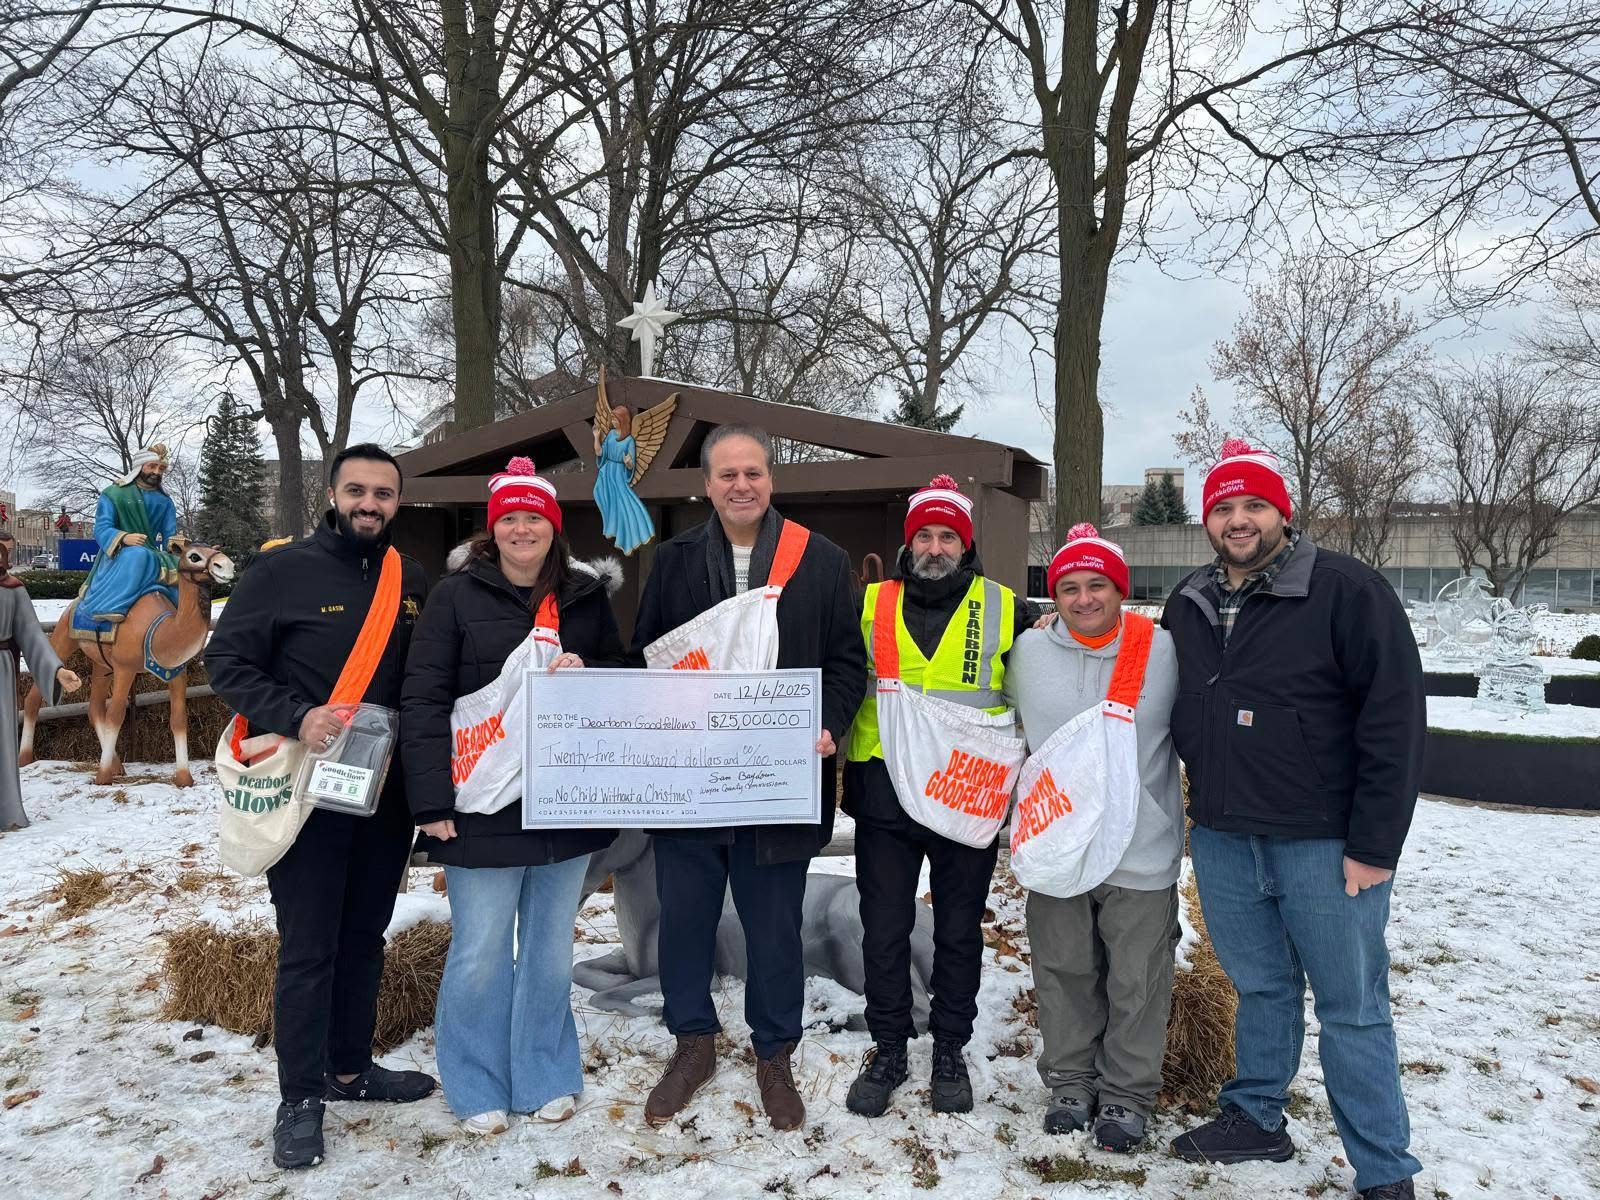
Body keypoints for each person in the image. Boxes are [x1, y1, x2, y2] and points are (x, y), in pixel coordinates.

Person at [1164, 439, 1424, 1200]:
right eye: (1223, 507)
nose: (1238, 520)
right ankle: (1256, 1116)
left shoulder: (1346, 590)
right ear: (1207, 520)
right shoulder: (1190, 599)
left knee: (1353, 1008)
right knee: (1262, 988)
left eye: (1253, 505)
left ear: (1283, 511)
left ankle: (1382, 1168)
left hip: (1325, 842)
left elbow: (1395, 721)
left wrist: (1375, 845)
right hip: (1221, 833)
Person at [630, 424, 865, 1131]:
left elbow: (848, 662)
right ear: (707, 484)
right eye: (727, 474)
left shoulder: (821, 562)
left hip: (778, 785)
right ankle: (693, 1043)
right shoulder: (670, 563)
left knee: (773, 931)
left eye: (753, 472)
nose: (741, 485)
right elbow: (646, 660)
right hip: (691, 787)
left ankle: (774, 1053)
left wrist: (829, 720)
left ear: (771, 478)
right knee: (685, 924)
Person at [206, 443, 433, 1171]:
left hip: (383, 793)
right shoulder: (278, 572)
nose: (371, 504)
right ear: (333, 493)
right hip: (309, 789)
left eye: (384, 494)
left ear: (398, 501)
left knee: (366, 935)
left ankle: (349, 1069)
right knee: (309, 946)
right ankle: (300, 1099)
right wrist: (297, 714)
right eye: (358, 490)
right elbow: (227, 663)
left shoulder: (413, 582)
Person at [401, 458, 624, 1135]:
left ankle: (545, 1071)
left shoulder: (585, 600)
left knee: (553, 948)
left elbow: (621, 679)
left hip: (561, 801)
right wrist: (430, 799)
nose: (522, 528)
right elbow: (424, 696)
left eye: (535, 517)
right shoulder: (455, 597)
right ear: (492, 529)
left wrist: (589, 670)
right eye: (510, 518)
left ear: (554, 529)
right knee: (481, 950)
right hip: (480, 801)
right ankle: (474, 1080)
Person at [840, 474, 1032, 1118]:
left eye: (948, 535)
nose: (935, 545)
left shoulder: (1007, 607)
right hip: (886, 797)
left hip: (966, 797)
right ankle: (889, 1045)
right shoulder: (868, 604)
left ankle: (950, 1047)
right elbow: (836, 680)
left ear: (965, 544)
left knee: (957, 931)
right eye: (924, 533)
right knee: (884, 930)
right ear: (908, 542)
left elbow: (1043, 694)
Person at [1003, 524, 1183, 1151]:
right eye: (1070, 587)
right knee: (1063, 969)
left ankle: (1128, 1094)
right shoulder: (1026, 655)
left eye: (1097, 585)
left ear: (1119, 590)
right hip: (1057, 848)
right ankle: (1071, 1082)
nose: (1083, 599)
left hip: (1141, 849)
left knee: (1138, 979)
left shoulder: (1160, 650)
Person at [0, 532, 82, 829]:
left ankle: (5, 812)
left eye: (7, 551)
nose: (4, 557)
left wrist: (57, 671)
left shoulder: (12, 590)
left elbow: (32, 635)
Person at [71, 445, 179, 642]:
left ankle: (182, 618)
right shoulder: (114, 494)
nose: (156, 472)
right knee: (139, 554)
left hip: (153, 553)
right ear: (139, 466)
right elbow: (102, 527)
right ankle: (110, 606)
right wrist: (123, 537)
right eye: (152, 466)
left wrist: (179, 547)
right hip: (120, 554)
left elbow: (170, 534)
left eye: (161, 468)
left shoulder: (165, 502)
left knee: (187, 568)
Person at [592, 404, 656, 555]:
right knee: (598, 493)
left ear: (623, 420)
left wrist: (628, 463)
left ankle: (626, 533)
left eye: (615, 419)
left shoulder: (629, 441)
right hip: (606, 471)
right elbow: (600, 453)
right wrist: (596, 437)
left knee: (622, 502)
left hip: (618, 474)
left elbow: (631, 464)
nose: (613, 422)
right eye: (612, 419)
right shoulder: (611, 434)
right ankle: (610, 525)